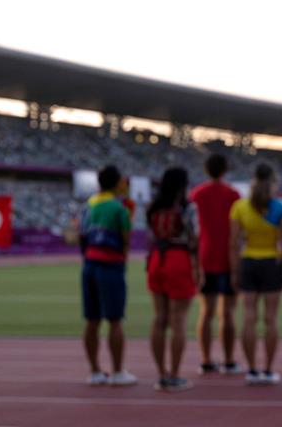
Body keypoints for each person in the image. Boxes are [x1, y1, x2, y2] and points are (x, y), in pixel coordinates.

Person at [230, 162, 282, 384]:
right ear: (273, 182)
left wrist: (235, 271)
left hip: (248, 263)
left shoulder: (240, 206)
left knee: (249, 317)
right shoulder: (281, 207)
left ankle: (252, 370)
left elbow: (234, 243)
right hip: (270, 263)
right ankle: (267, 369)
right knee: (270, 319)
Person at [79, 165, 136, 386]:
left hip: (89, 265)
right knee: (114, 320)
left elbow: (82, 237)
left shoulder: (89, 205)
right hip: (110, 266)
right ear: (117, 183)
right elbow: (126, 240)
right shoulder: (119, 208)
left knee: (92, 321)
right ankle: (118, 371)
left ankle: (94, 371)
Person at [145, 167, 199, 392]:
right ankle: (175, 375)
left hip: (157, 259)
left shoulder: (153, 208)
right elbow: (194, 240)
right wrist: (198, 268)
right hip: (179, 259)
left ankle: (161, 373)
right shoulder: (187, 208)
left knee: (159, 319)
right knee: (179, 321)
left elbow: (150, 237)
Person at [190, 153, 241, 375]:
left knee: (206, 311)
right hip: (227, 258)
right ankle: (229, 360)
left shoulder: (197, 194)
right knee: (227, 312)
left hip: (205, 256)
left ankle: (206, 359)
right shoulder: (233, 195)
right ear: (225, 169)